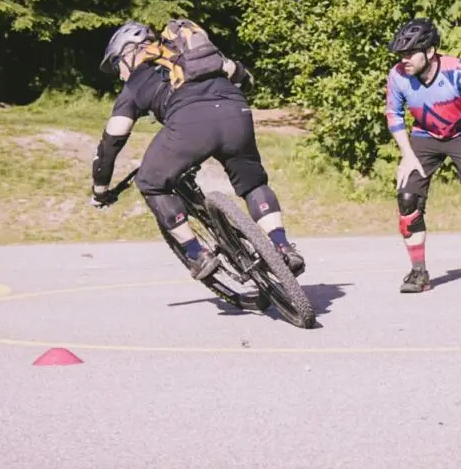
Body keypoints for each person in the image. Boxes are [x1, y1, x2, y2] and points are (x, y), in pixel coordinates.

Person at [89, 19, 305, 281]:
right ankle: (282, 246)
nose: (119, 73)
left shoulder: (135, 82)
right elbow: (240, 74)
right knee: (253, 183)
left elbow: (111, 142)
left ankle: (196, 252)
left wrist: (100, 189)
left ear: (129, 52)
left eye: (116, 64)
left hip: (190, 124)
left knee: (149, 181)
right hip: (236, 112)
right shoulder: (189, 55)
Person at [384, 17, 461, 293]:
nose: (404, 59)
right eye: (401, 54)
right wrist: (407, 156)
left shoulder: (459, 71)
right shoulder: (397, 76)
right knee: (407, 197)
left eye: (411, 53)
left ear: (431, 51)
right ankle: (418, 273)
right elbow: (394, 114)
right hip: (424, 135)